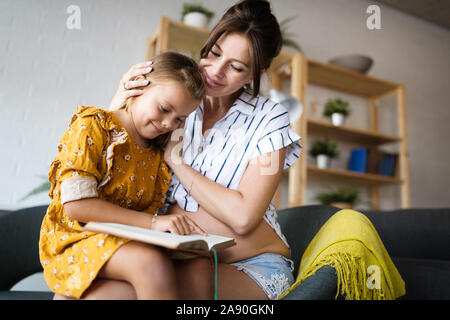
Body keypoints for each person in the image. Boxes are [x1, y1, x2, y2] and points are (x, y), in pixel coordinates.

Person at [109, 0, 302, 300]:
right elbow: (114, 172)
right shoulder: (174, 96)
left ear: (257, 72)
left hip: (249, 266)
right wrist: (119, 106)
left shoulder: (268, 118)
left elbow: (242, 217)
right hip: (172, 256)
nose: (216, 71)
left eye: (236, 67)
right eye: (213, 53)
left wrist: (178, 162)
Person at [39, 51, 209, 300]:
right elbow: (77, 206)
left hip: (124, 241)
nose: (167, 124)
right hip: (76, 238)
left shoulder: (155, 154)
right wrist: (154, 224)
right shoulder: (92, 125)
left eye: (179, 119)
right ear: (139, 86)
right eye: (164, 109)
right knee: (151, 264)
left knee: (198, 264)